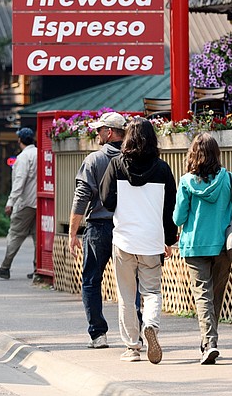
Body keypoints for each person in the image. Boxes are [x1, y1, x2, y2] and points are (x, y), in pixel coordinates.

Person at [99, 117, 177, 365]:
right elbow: (170, 209)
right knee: (152, 292)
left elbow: (106, 201)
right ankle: (151, 325)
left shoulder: (116, 165)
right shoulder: (163, 169)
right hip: (152, 241)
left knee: (126, 295)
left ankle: (132, 347)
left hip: (124, 240)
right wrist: (169, 239)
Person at [172, 133, 232, 365]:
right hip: (224, 247)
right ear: (216, 154)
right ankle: (209, 342)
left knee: (202, 294)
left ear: (193, 154)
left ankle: (209, 343)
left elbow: (178, 218)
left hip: (195, 245)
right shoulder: (230, 179)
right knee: (216, 295)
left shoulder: (186, 182)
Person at [67, 111, 127, 350]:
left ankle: (98, 334)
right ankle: (137, 332)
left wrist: (72, 233)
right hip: (126, 227)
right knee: (129, 281)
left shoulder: (94, 160)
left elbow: (81, 198)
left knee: (92, 280)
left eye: (100, 129)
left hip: (98, 227)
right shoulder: (132, 159)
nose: (97, 133)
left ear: (109, 132)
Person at [0, 127, 38, 280]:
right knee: (37, 237)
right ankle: (37, 268)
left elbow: (19, 181)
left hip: (25, 202)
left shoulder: (23, 157)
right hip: (38, 202)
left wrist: (11, 202)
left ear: (19, 140)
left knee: (15, 234)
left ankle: (4, 267)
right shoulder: (39, 154)